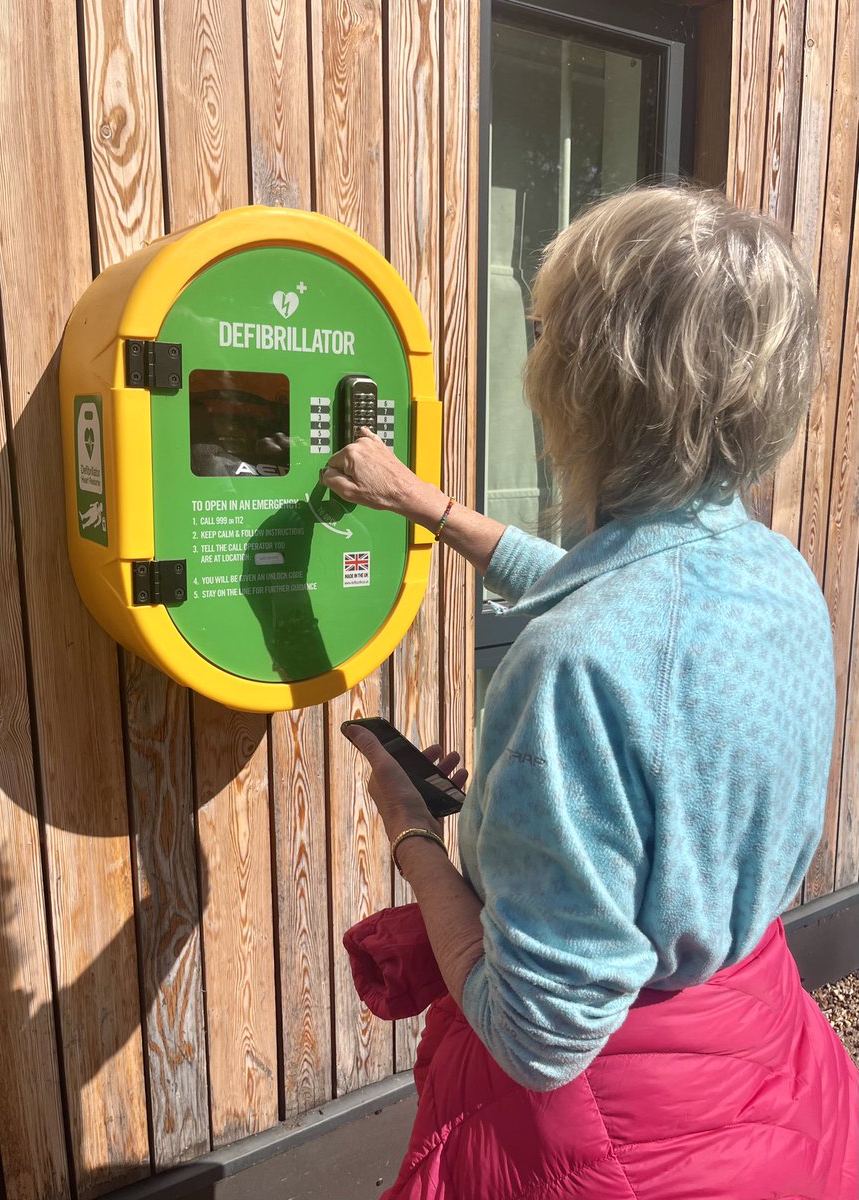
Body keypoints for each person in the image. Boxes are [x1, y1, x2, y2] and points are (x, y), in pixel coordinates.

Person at [323, 186, 858, 1200]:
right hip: (760, 1075)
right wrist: (418, 502)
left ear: (583, 380)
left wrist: (413, 832)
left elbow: (539, 1038)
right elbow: (625, 594)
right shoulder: (774, 572)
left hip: (613, 1149)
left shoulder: (571, 668)